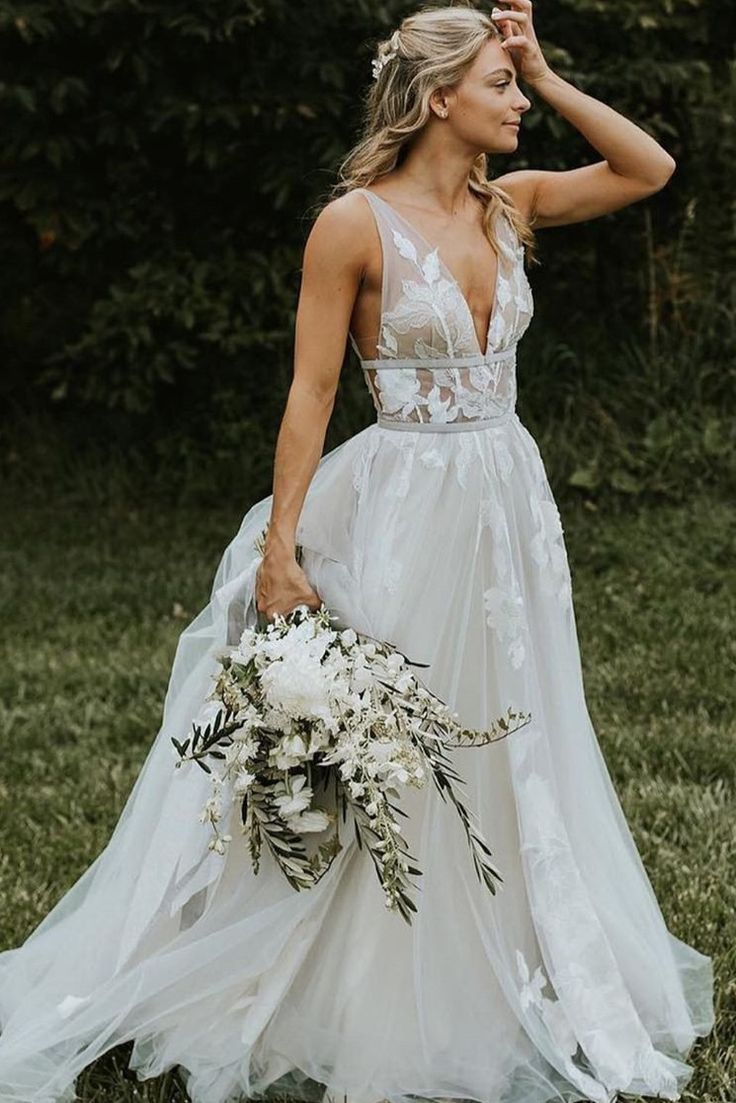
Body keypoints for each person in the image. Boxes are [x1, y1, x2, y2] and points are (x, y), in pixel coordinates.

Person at [0, 4, 714, 1103]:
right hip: (401, 504)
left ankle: (513, 946)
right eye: (498, 84)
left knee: (512, 722)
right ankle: (373, 976)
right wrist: (281, 553)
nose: (516, 102)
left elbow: (649, 167)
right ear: (439, 101)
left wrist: (546, 67)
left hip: (503, 503)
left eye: (516, 85)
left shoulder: (510, 205)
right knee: (392, 741)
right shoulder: (352, 225)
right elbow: (311, 393)